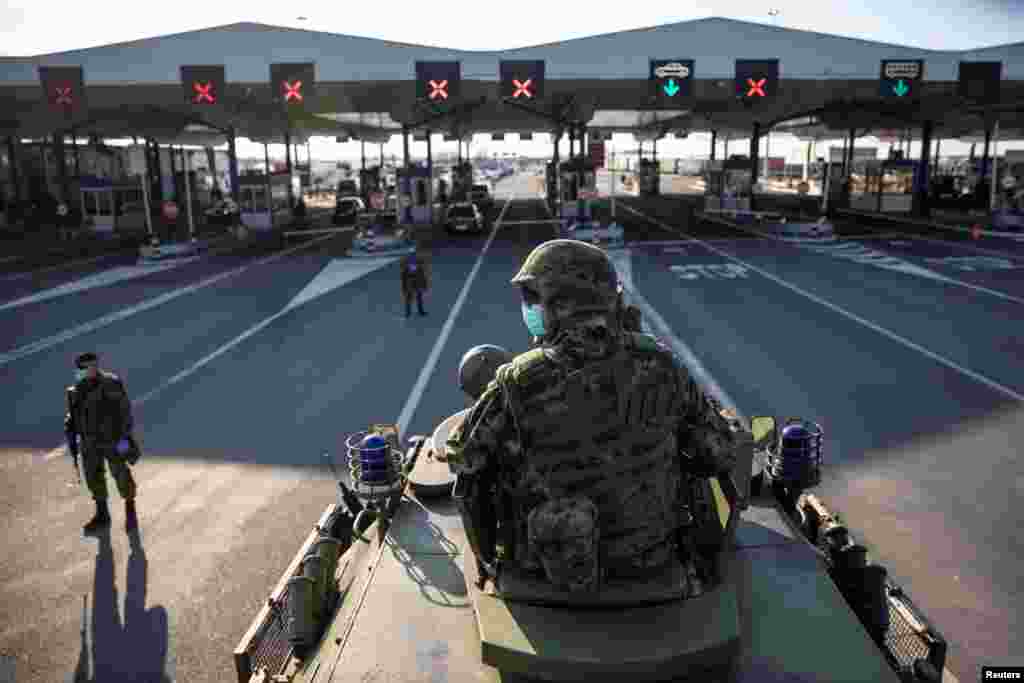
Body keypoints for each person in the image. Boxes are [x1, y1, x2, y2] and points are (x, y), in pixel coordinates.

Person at [444, 239, 738, 592]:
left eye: (534, 299)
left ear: (558, 303)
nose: (531, 309)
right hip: (652, 564)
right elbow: (718, 453)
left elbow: (464, 461)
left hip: (541, 574)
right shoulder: (663, 365)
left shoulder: (517, 380)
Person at [65, 352, 140, 534]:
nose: (81, 372)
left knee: (121, 474)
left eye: (85, 368)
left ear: (94, 367)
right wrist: (70, 424)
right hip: (89, 441)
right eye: (79, 368)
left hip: (112, 439)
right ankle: (102, 515)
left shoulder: (111, 383)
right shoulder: (76, 389)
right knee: (93, 477)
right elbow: (75, 414)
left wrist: (124, 438)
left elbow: (125, 411)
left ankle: (130, 510)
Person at [400, 251, 428, 318]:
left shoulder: (408, 265)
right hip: (412, 283)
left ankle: (410, 312)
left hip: (413, 283)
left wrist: (404, 287)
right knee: (414, 298)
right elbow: (422, 276)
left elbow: (422, 276)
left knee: (413, 298)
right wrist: (424, 285)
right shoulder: (415, 265)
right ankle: (414, 312)